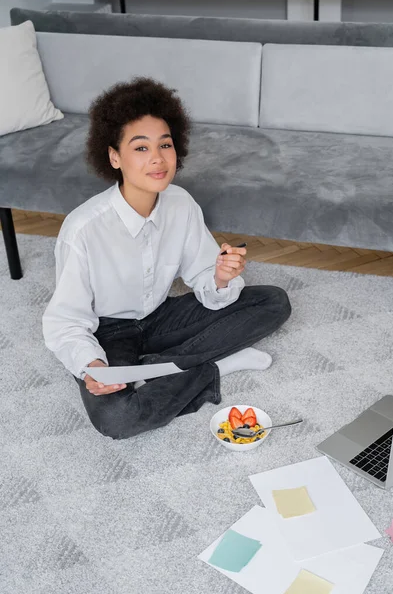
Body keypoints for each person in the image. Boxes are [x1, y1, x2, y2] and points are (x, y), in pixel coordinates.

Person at [42, 77, 291, 440]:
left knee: (273, 302)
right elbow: (65, 320)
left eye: (165, 145)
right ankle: (213, 366)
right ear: (114, 156)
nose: (158, 158)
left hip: (160, 318)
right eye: (140, 148)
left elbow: (205, 277)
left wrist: (220, 276)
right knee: (118, 420)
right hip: (108, 332)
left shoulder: (181, 203)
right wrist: (92, 364)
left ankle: (156, 369)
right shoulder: (82, 230)